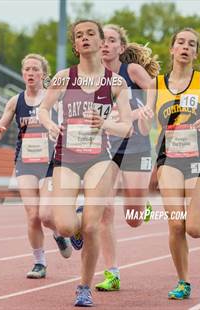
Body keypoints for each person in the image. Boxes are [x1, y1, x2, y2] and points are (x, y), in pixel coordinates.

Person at [39, 20, 132, 307]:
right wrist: (50, 125)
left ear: (102, 40)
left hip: (98, 160)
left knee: (92, 227)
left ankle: (83, 287)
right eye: (79, 35)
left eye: (91, 33)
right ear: (75, 44)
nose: (85, 38)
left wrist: (106, 123)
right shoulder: (64, 77)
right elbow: (43, 109)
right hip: (66, 157)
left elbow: (127, 126)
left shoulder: (115, 82)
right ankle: (74, 223)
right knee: (66, 227)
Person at [138, 27, 200, 300]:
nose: (185, 47)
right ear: (172, 48)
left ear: (196, 52)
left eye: (191, 44)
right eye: (181, 42)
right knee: (176, 224)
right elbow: (148, 123)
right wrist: (141, 119)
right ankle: (183, 282)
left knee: (195, 229)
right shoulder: (158, 84)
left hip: (198, 156)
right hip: (169, 158)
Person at [0, 54, 73, 279]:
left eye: (35, 69)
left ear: (43, 75)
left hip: (50, 162)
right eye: (26, 69)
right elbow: (0, 129)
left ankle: (58, 233)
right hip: (25, 162)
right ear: (22, 73)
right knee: (32, 215)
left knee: (46, 215)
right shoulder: (15, 101)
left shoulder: (53, 99)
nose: (30, 73)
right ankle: (39, 262)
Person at [95, 24, 160, 292]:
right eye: (103, 40)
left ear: (121, 48)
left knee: (132, 218)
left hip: (136, 146)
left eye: (112, 41)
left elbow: (155, 84)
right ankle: (112, 273)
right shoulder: (91, 76)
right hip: (106, 148)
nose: (106, 45)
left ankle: (142, 206)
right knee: (104, 212)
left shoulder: (131, 70)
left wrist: (147, 107)